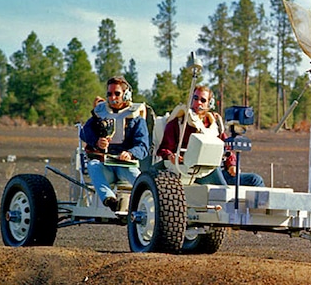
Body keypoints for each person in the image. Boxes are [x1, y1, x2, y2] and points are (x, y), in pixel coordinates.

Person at [156, 85, 264, 186]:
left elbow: (226, 148)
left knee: (255, 180)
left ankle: (260, 206)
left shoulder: (214, 124)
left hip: (219, 170)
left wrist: (231, 165)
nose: (198, 103)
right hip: (193, 171)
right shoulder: (178, 123)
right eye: (195, 98)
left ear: (209, 104)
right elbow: (165, 149)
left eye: (203, 100)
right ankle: (227, 202)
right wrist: (171, 156)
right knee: (221, 183)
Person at [79, 76, 149, 211]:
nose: (112, 97)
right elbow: (84, 132)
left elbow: (143, 146)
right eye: (109, 94)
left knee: (140, 180)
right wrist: (97, 141)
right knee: (93, 166)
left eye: (117, 93)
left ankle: (149, 206)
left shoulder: (136, 118)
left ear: (126, 94)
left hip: (126, 165)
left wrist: (130, 153)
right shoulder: (100, 113)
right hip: (105, 165)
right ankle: (110, 200)